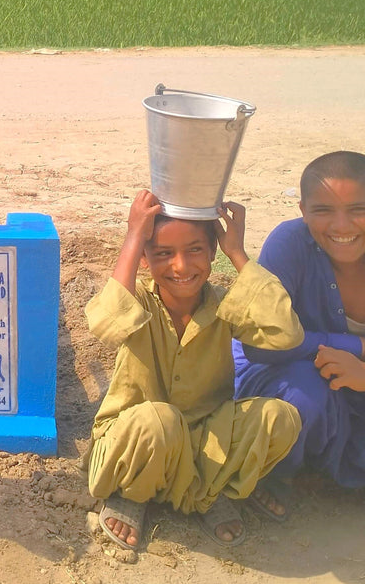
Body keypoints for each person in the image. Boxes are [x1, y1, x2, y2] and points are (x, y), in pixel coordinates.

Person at [86, 190, 303, 551]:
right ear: (144, 258)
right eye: (163, 254)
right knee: (160, 420)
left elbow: (285, 333)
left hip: (204, 444)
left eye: (195, 250)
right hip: (139, 439)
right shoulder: (138, 300)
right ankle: (133, 493)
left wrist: (238, 253)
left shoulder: (225, 305)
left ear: (213, 252)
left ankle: (202, 494)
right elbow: (106, 324)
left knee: (280, 417)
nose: (182, 267)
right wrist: (133, 235)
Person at [235, 151, 365, 518]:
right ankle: (276, 472)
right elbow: (260, 344)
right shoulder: (289, 244)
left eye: (358, 209)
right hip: (288, 373)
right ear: (303, 210)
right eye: (323, 210)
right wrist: (356, 345)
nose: (341, 226)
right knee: (304, 386)